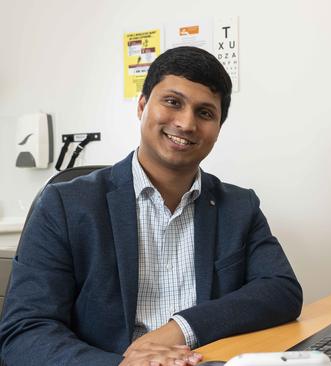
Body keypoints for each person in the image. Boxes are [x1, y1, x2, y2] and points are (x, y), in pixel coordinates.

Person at [0, 46, 302, 366]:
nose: (186, 123)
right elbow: (24, 332)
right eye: (173, 102)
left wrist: (182, 328)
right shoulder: (65, 204)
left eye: (204, 113)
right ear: (142, 105)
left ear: (217, 129)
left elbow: (281, 290)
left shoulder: (239, 206)